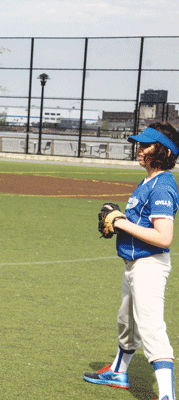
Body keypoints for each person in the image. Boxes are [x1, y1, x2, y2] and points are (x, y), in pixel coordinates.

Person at [83, 122, 179, 400]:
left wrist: (122, 222)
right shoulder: (148, 181)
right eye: (139, 144)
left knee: (151, 328)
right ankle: (118, 371)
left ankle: (166, 396)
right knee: (127, 322)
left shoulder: (162, 186)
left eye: (146, 145)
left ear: (162, 151)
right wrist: (121, 221)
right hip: (134, 264)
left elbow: (164, 237)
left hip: (150, 264)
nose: (139, 149)